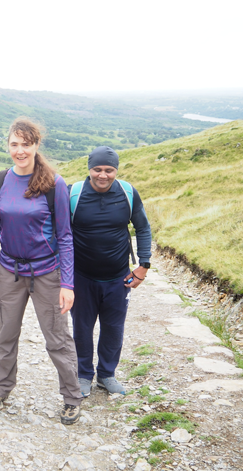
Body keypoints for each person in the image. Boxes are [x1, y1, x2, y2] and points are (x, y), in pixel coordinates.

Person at [0, 116, 82, 425]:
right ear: (8, 145)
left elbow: (65, 236)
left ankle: (72, 397)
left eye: (26, 144)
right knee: (6, 334)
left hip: (47, 273)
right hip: (9, 272)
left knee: (57, 338)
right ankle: (0, 388)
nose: (20, 151)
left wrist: (68, 283)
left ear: (37, 145)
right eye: (14, 144)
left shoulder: (54, 184)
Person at [70, 146, 152, 396]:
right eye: (97, 169)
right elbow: (58, 233)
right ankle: (84, 375)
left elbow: (143, 228)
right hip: (81, 276)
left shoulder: (128, 193)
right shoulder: (73, 193)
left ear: (116, 170)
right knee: (82, 328)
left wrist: (143, 265)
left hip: (119, 277)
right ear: (89, 169)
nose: (103, 175)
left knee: (113, 328)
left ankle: (106, 375)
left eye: (109, 170)